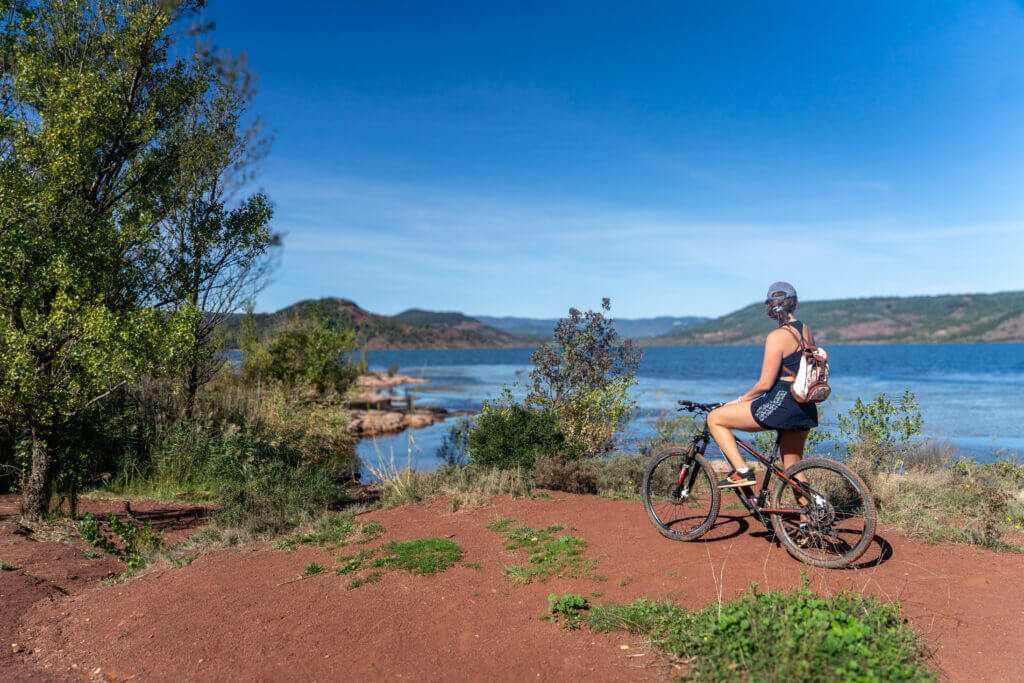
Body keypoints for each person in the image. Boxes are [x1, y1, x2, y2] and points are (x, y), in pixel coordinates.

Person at [706, 281, 818, 488]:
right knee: (792, 468)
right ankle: (809, 517)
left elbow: (765, 384)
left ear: (770, 308)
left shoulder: (777, 337)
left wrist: (738, 401)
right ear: (793, 304)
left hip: (783, 403)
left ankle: (742, 471)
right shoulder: (805, 330)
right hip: (805, 404)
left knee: (714, 418)